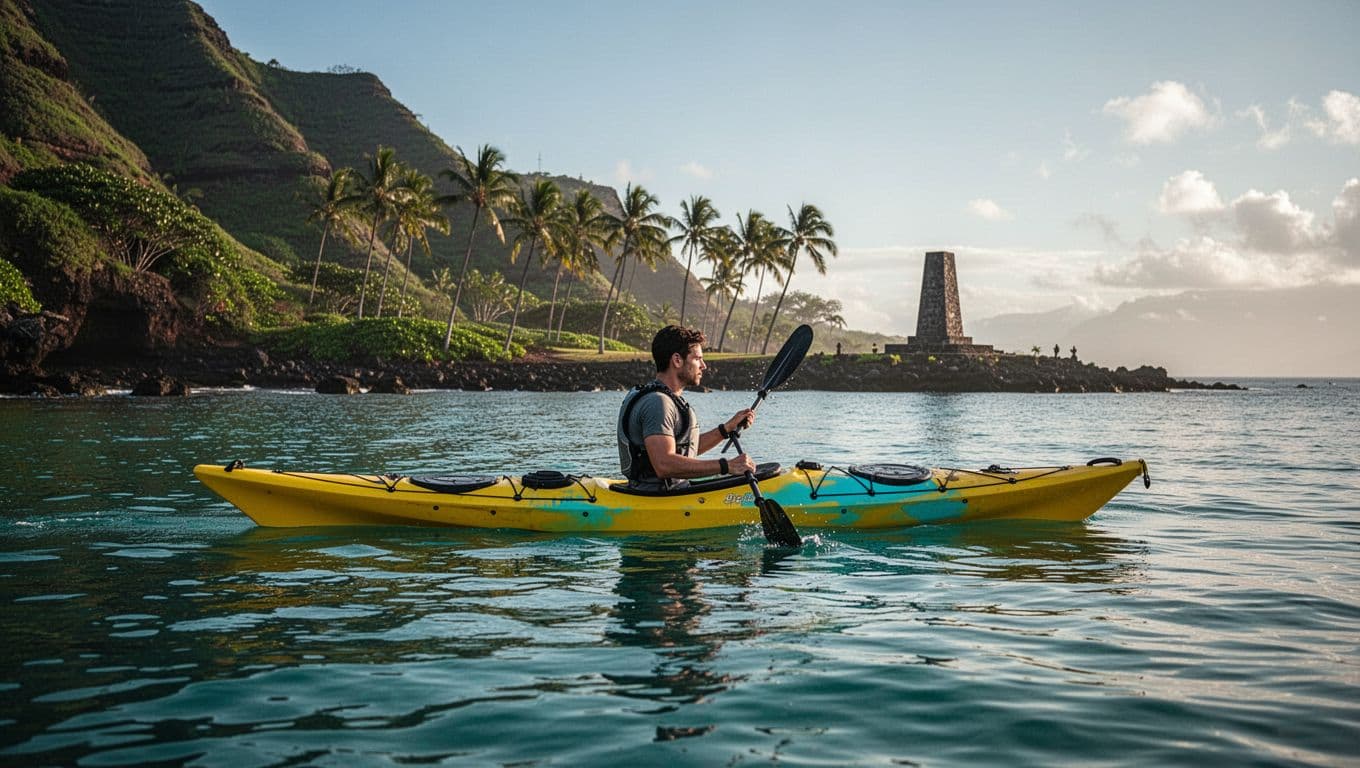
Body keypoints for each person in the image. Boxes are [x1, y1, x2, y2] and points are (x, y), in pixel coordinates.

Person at [618, 325, 757, 490]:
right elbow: (664, 464)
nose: (703, 366)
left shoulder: (663, 398)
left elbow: (684, 451)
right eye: (697, 359)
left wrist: (725, 430)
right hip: (661, 499)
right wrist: (727, 466)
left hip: (670, 491)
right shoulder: (657, 403)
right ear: (677, 360)